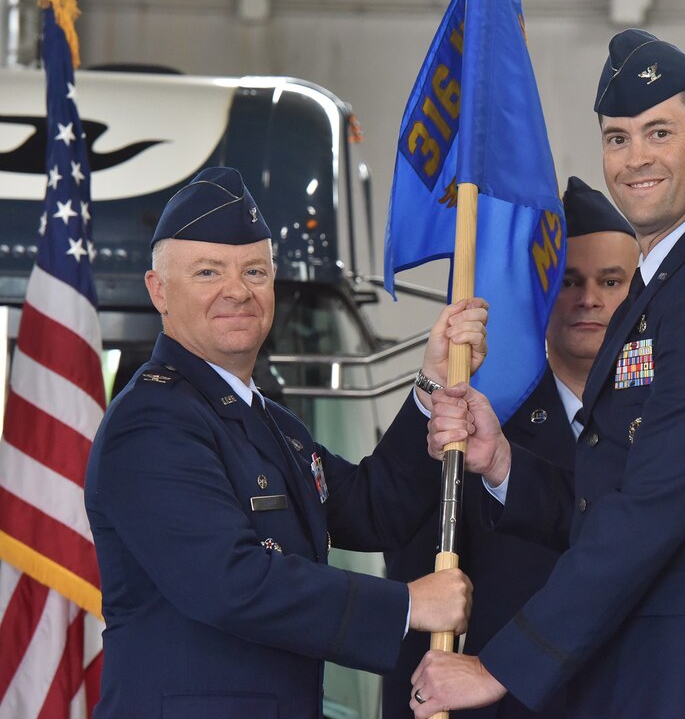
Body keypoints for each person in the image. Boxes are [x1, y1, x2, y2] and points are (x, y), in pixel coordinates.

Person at [412, 29, 685, 718]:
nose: (635, 159)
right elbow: (611, 493)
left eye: (659, 132)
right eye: (618, 137)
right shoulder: (662, 292)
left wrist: (496, 665)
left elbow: (649, 512)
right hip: (647, 683)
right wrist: (504, 460)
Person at [84, 166, 486, 719]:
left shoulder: (270, 422)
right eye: (207, 272)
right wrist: (408, 604)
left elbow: (369, 509)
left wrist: (431, 384)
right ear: (159, 291)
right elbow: (230, 581)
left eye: (255, 270)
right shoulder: (151, 423)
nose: (237, 290)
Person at [382, 176, 640, 719]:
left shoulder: (665, 421)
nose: (589, 299)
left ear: (636, 294)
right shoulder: (477, 421)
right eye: (568, 281)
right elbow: (420, 579)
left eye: (611, 281)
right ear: (540, 291)